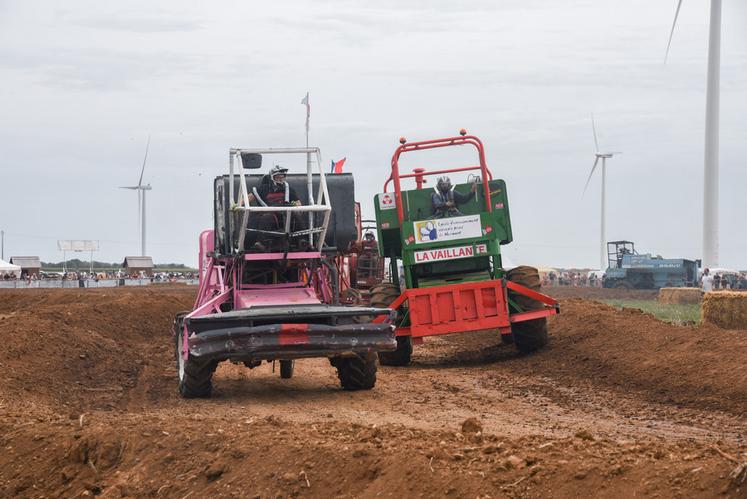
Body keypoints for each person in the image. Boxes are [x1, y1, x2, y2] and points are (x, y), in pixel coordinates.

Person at [242, 165, 305, 251]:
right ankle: (262, 243)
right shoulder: (264, 189)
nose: (280, 179)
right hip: (271, 214)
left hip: (286, 214)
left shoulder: (289, 189)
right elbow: (250, 197)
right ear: (272, 177)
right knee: (266, 217)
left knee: (296, 214)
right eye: (278, 177)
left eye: (282, 177)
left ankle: (302, 240)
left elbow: (298, 202)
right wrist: (237, 204)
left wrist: (296, 205)